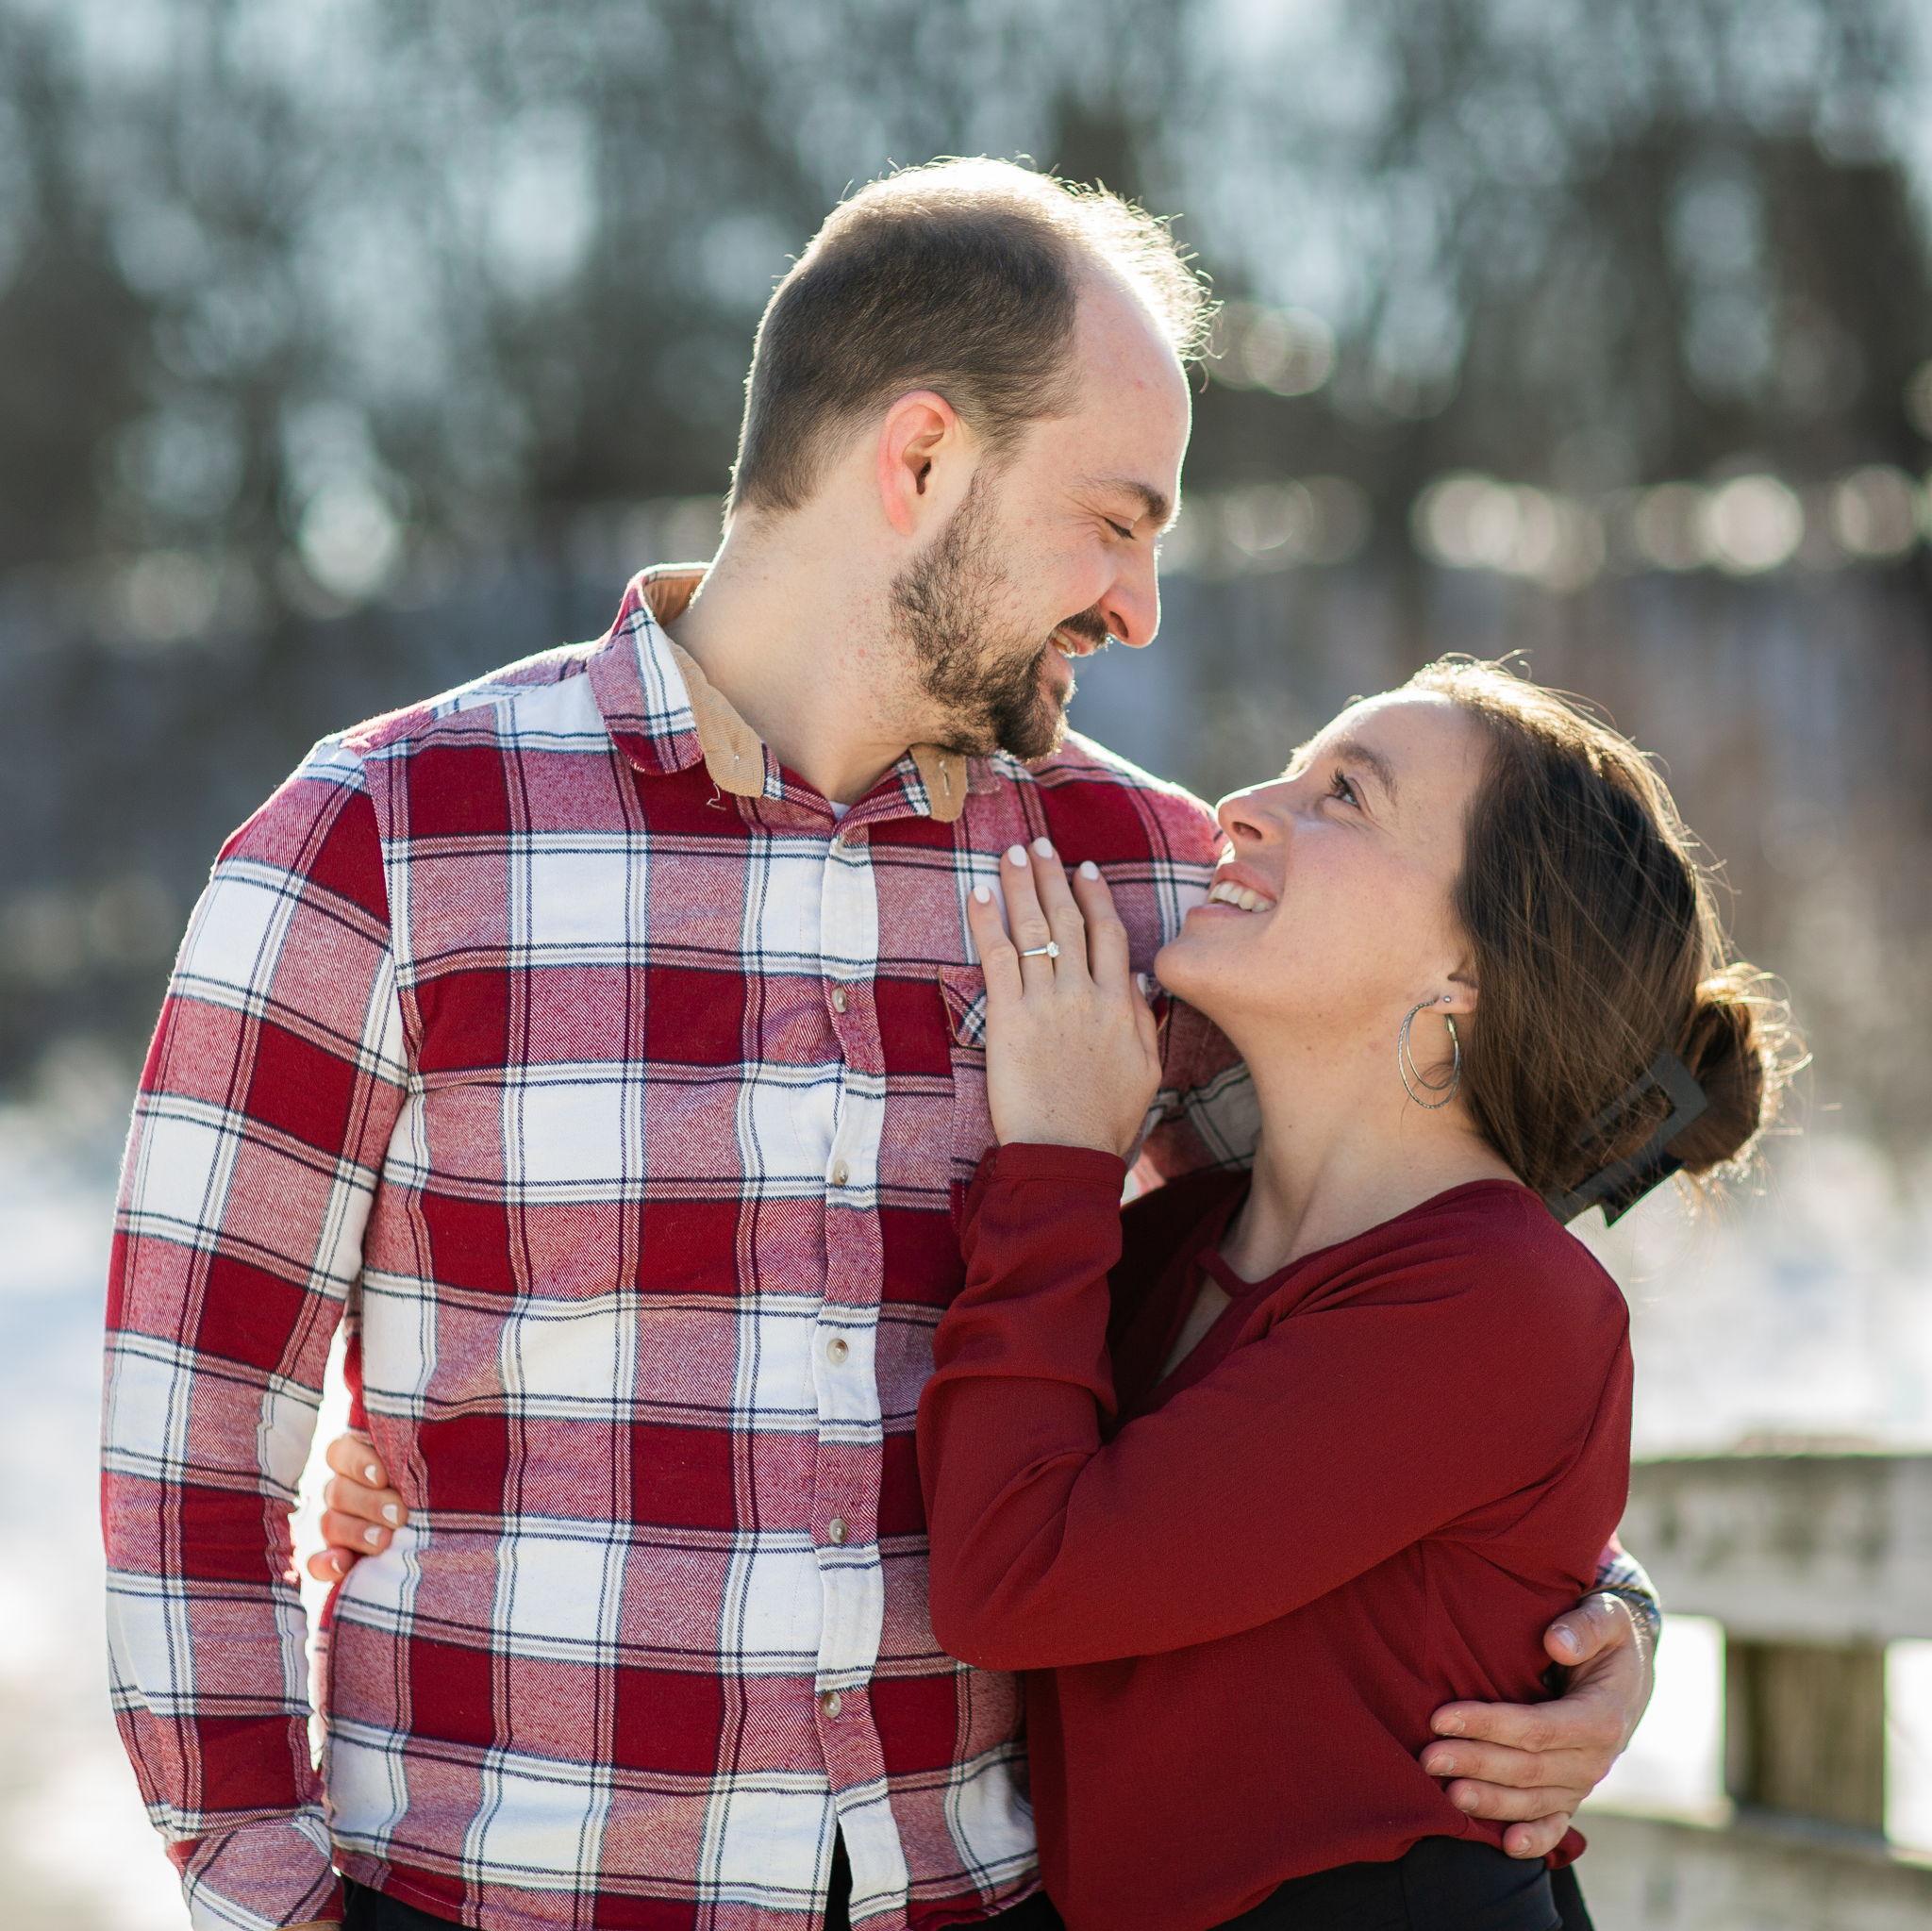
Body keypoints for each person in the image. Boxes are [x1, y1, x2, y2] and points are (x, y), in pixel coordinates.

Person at [102, 160, 1659, 1931]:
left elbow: (1363, 1298)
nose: (1139, 605)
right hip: (489, 1896)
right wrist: (271, 1894)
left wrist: (1595, 1611)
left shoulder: (1150, 889)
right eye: (1117, 518)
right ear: (919, 462)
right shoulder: (385, 840)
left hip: (979, 1907)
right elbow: (194, 1431)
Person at [912, 662, 1791, 1930]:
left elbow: (1015, 1580)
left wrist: (1053, 1160)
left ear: (1468, 978)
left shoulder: (1504, 1304)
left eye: (1344, 797)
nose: (1243, 806)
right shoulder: (1167, 1250)